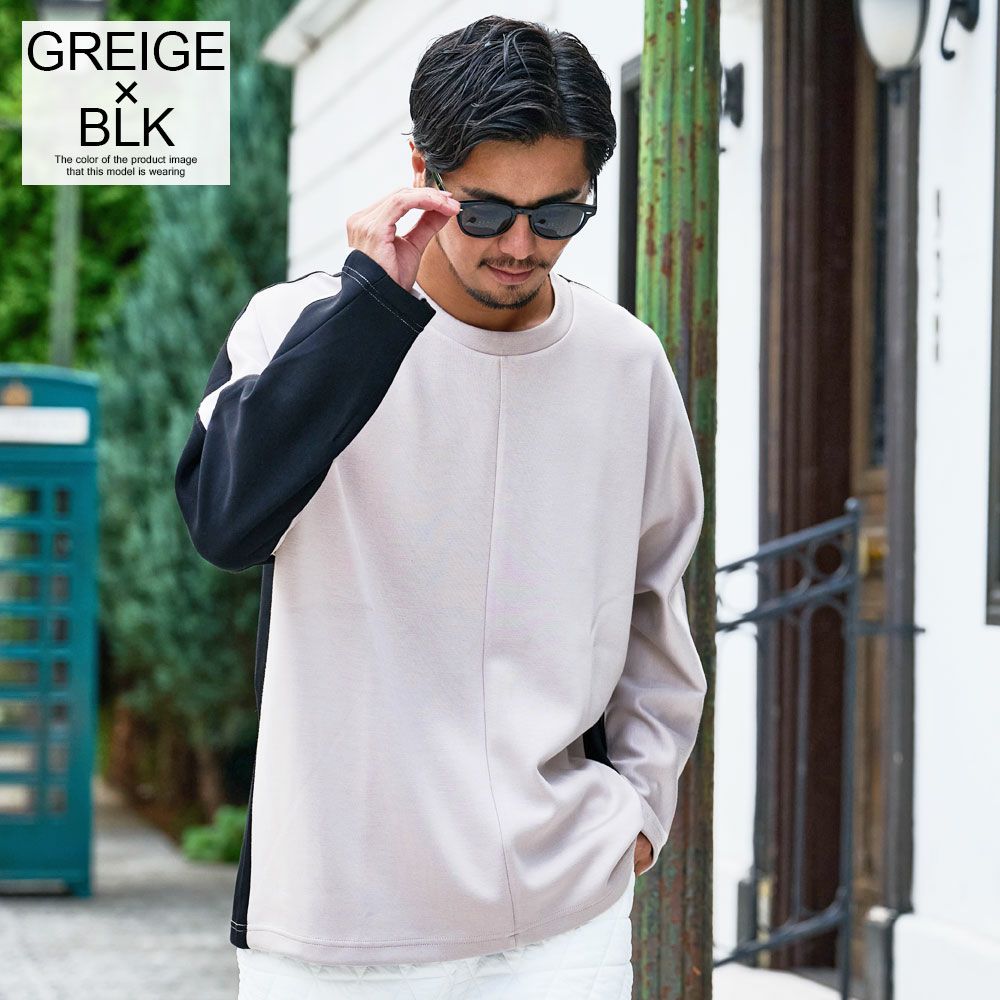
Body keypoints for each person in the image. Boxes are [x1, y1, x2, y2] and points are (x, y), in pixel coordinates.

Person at [174, 14, 707, 999]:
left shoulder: (625, 362)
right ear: (421, 170)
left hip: (561, 918)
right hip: (334, 919)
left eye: (558, 213)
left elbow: (657, 608)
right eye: (487, 210)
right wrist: (369, 312)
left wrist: (637, 813)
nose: (522, 244)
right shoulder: (294, 328)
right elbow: (225, 523)